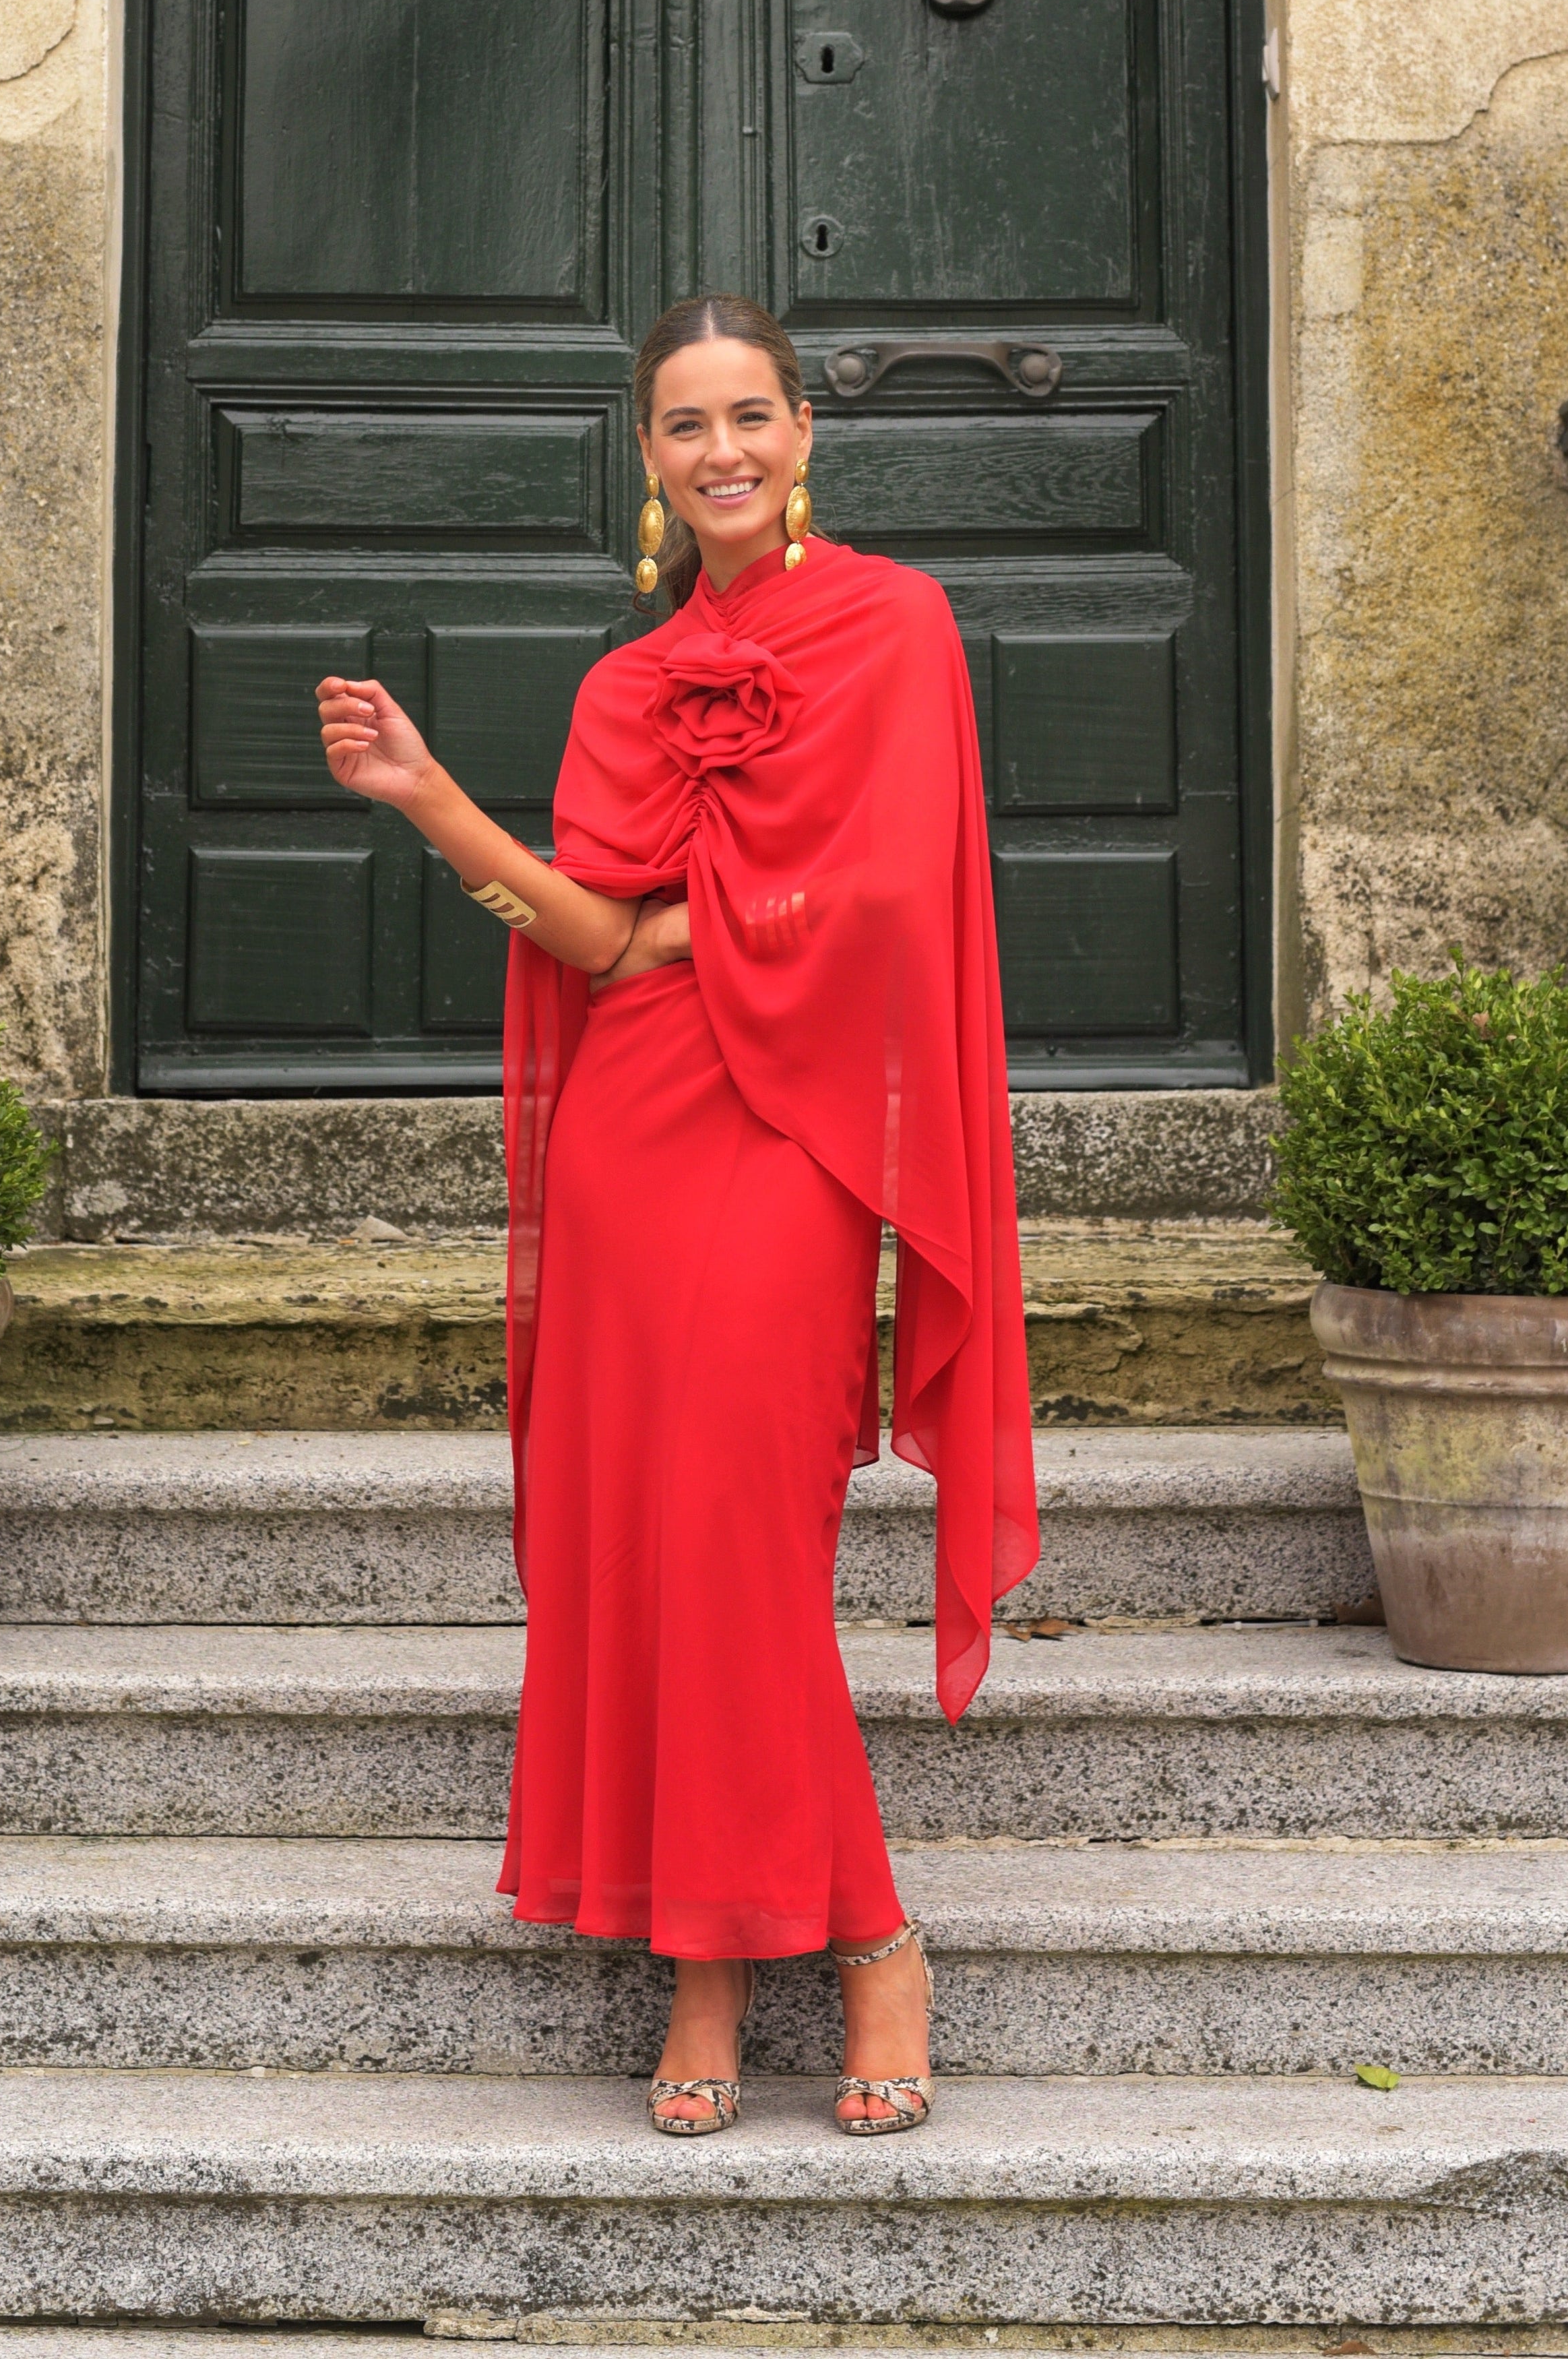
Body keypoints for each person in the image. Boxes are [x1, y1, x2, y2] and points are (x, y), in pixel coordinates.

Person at [317, 295, 1034, 2137]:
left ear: (806, 434)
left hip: (795, 1137)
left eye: (751, 416)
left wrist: (678, 930)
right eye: (686, 425)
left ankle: (871, 1940)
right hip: (630, 1147)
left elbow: (889, 899)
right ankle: (707, 1970)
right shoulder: (622, 689)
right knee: (646, 1554)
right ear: (647, 456)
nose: (723, 452)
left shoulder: (896, 626)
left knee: (741, 1545)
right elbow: (583, 936)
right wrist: (428, 799)